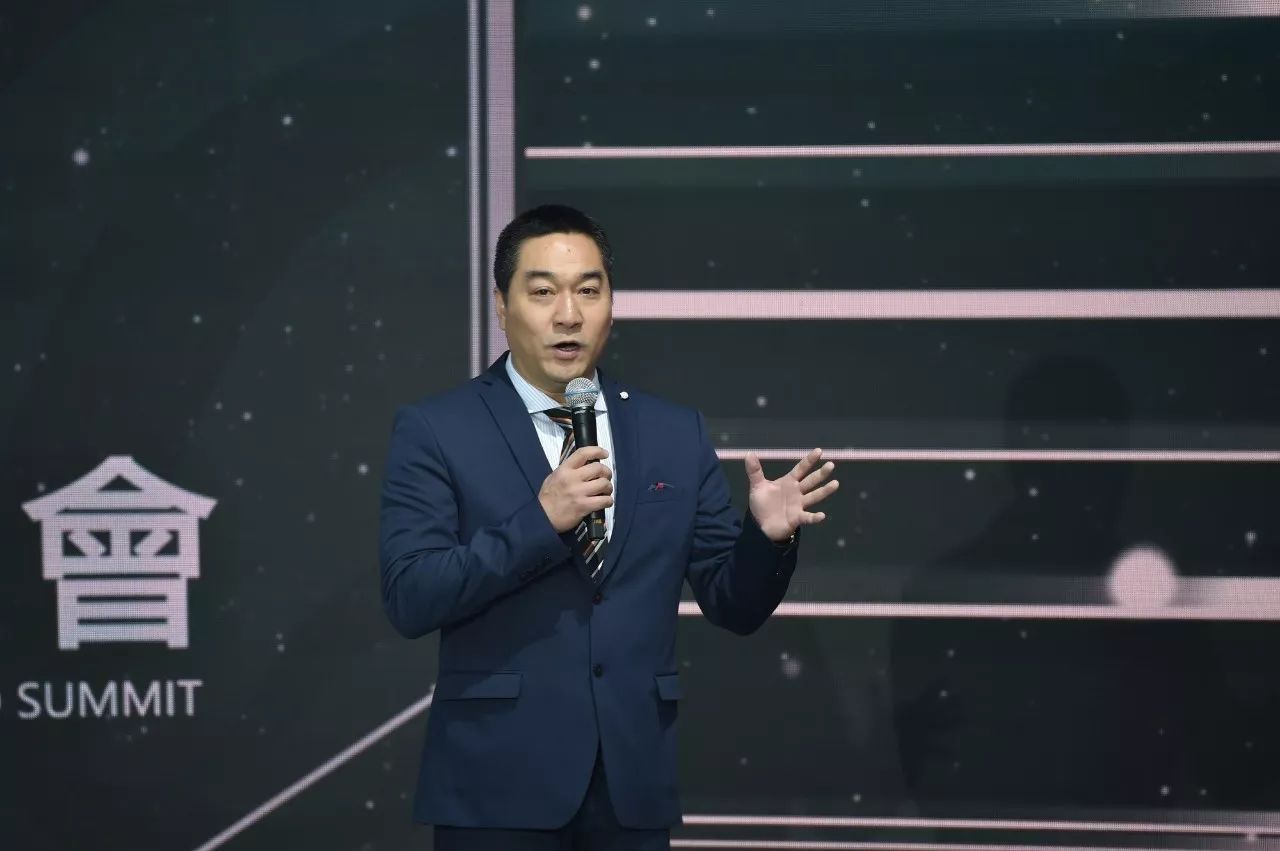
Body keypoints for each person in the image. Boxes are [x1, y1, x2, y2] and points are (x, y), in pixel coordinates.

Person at [378, 204, 838, 849]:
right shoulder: (438, 429)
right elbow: (412, 594)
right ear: (501, 305)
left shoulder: (674, 432)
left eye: (588, 291)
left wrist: (766, 539)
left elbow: (732, 603)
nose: (569, 314)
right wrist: (541, 521)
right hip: (495, 787)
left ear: (611, 306)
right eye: (543, 292)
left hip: (631, 786)